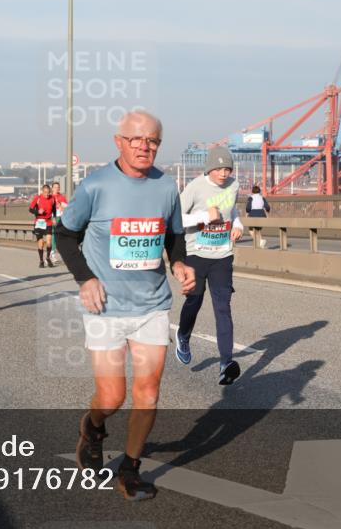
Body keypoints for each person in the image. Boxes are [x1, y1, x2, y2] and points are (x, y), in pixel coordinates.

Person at [57, 110, 194, 501]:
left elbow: (174, 237)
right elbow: (64, 235)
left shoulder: (166, 186)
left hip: (151, 306)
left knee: (148, 393)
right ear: (119, 141)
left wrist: (179, 263)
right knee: (112, 397)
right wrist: (85, 279)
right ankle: (93, 426)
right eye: (136, 139)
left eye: (152, 140)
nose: (144, 146)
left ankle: (130, 469)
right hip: (106, 308)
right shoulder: (96, 185)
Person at [174, 146, 245, 385]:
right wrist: (204, 217)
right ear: (209, 169)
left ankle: (226, 363)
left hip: (222, 255)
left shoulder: (233, 185)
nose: (223, 173)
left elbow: (232, 209)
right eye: (219, 169)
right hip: (196, 254)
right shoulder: (195, 187)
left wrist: (238, 225)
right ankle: (183, 335)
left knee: (223, 307)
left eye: (227, 169)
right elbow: (176, 218)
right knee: (194, 300)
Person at [29, 184, 57, 268]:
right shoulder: (37, 198)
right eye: (45, 192)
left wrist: (54, 218)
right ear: (42, 191)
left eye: (48, 192)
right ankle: (41, 261)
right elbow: (30, 209)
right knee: (41, 243)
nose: (47, 194)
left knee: (49, 241)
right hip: (39, 222)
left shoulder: (52, 198)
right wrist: (37, 212)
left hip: (48, 222)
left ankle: (48, 258)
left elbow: (54, 209)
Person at [50, 181, 68, 264]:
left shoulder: (62, 197)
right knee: (54, 236)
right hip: (52, 218)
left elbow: (67, 208)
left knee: (62, 236)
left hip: (61, 218)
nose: (57, 189)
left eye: (58, 187)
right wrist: (52, 218)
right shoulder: (50, 197)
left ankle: (63, 254)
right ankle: (52, 254)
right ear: (52, 188)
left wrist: (61, 207)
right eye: (55, 187)